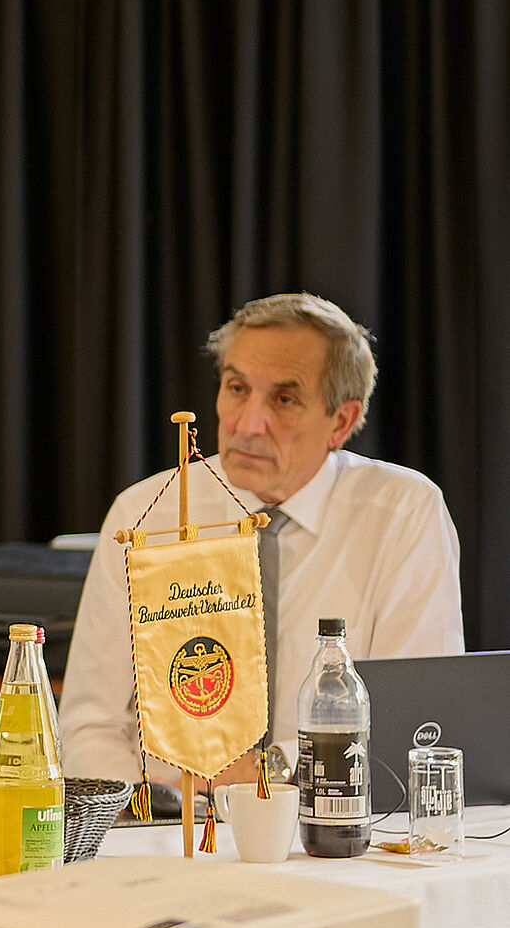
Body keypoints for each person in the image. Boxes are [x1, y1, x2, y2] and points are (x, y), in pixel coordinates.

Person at [60, 293, 462, 787]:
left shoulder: (402, 513)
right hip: (169, 818)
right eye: (237, 388)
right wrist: (151, 812)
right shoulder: (147, 513)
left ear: (340, 421)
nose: (248, 425)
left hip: (332, 816)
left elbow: (416, 725)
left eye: (284, 400)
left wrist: (269, 772)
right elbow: (90, 726)